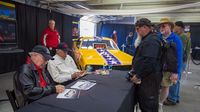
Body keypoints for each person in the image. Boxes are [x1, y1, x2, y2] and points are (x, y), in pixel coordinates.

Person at [131, 18, 162, 112]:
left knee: (148, 106)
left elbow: (149, 61)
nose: (137, 31)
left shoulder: (151, 41)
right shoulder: (149, 38)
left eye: (137, 29)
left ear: (144, 27)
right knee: (145, 105)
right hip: (148, 79)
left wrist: (138, 75)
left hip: (149, 81)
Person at [158, 18, 183, 109]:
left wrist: (176, 72)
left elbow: (179, 56)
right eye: (160, 26)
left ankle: (160, 104)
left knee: (165, 86)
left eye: (164, 26)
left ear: (170, 26)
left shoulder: (176, 39)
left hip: (169, 68)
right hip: (157, 67)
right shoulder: (158, 37)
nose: (161, 28)